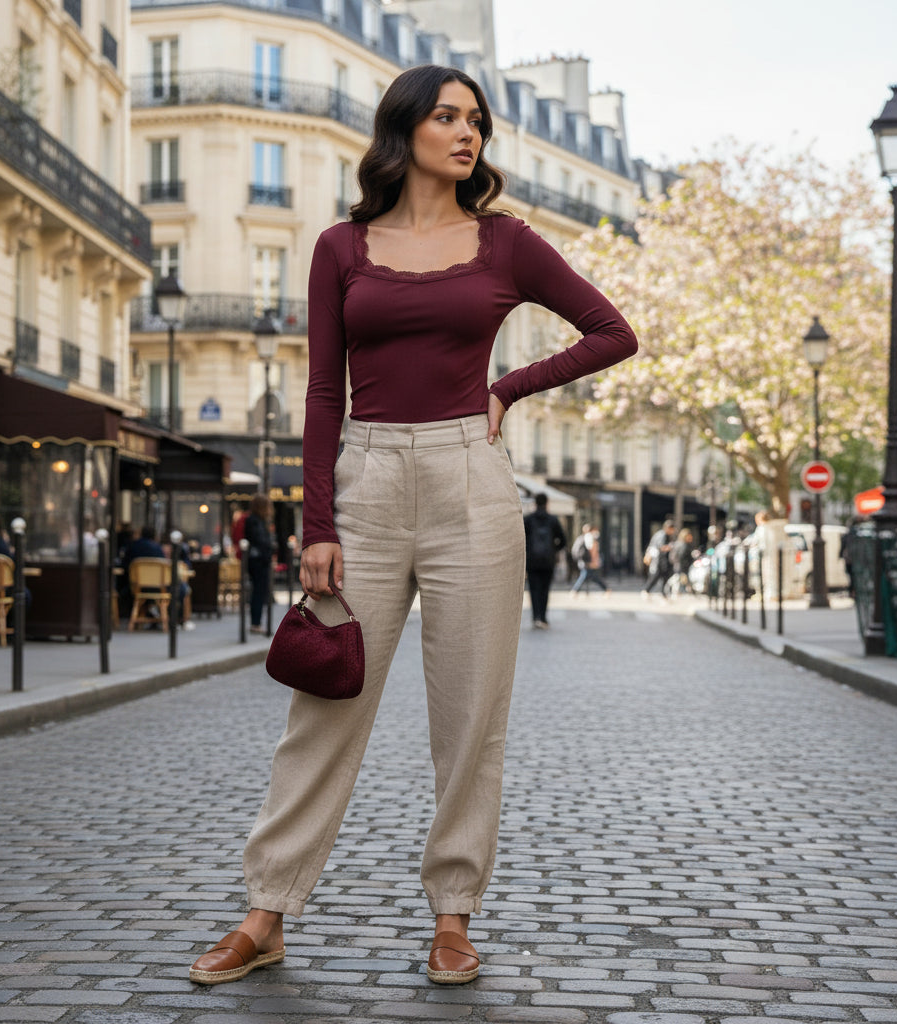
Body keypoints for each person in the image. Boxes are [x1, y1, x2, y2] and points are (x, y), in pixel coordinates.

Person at [187, 64, 637, 989]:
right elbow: (320, 393)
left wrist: (508, 389)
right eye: (446, 117)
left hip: (472, 479)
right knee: (325, 704)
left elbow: (610, 330)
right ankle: (266, 912)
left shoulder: (506, 243)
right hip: (368, 479)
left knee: (471, 715)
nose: (467, 133)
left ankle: (453, 919)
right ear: (406, 131)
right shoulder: (340, 249)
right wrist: (318, 520)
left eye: (476, 120)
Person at [523, 492, 566, 627]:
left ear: (535, 503)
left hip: (532, 561)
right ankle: (543, 617)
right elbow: (563, 540)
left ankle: (536, 617)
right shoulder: (553, 519)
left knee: (534, 589)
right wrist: (554, 549)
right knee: (545, 590)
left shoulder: (528, 519)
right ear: (547, 503)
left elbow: (521, 540)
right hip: (548, 561)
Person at [244, 494, 275, 634]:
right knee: (258, 591)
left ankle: (256, 623)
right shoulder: (255, 521)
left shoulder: (259, 520)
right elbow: (260, 541)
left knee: (259, 591)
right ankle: (255, 623)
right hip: (259, 561)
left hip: (259, 560)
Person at [571, 524, 609, 595]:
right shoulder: (588, 538)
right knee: (588, 576)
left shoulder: (582, 538)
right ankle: (606, 589)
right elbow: (592, 551)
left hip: (586, 561)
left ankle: (575, 591)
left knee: (588, 576)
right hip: (587, 561)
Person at [642, 519, 675, 597]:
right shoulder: (662, 535)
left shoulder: (659, 534)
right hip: (659, 560)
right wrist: (671, 547)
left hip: (658, 560)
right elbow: (661, 547)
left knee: (661, 577)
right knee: (657, 576)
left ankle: (661, 593)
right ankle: (647, 591)